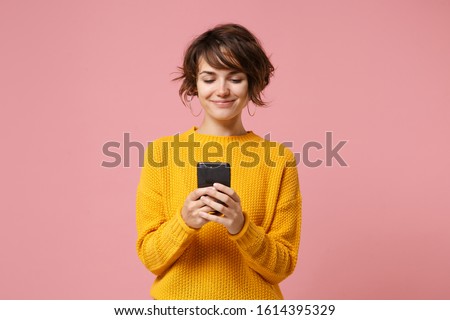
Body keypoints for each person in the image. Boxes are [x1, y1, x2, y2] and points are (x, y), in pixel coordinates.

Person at [136, 23, 302, 300]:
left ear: (253, 82)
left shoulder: (278, 160)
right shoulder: (161, 154)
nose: (222, 90)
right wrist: (184, 222)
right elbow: (151, 258)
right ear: (194, 84)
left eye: (235, 78)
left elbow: (283, 266)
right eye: (209, 78)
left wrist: (240, 226)